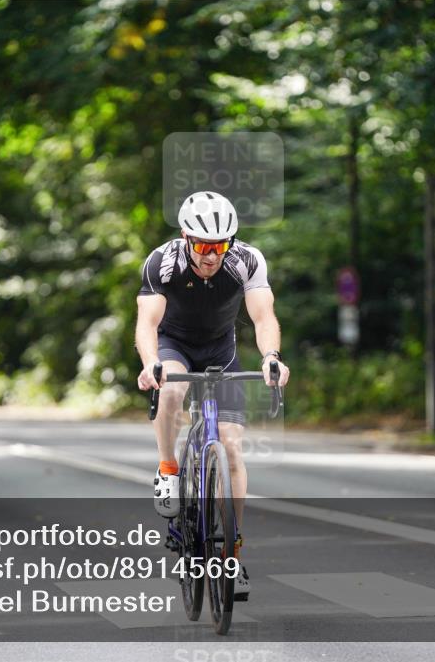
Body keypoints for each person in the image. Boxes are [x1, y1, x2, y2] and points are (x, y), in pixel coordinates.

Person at [135, 190, 290, 600]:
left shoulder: (246, 261)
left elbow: (263, 315)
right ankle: (169, 469)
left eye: (220, 245)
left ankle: (232, 555)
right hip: (175, 346)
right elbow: (147, 323)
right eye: (203, 245)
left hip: (222, 351)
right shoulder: (162, 262)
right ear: (186, 238)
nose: (211, 255)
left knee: (232, 448)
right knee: (170, 390)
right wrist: (150, 363)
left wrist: (272, 357)